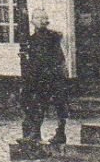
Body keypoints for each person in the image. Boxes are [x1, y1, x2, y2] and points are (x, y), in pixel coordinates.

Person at [22, 9, 71, 147]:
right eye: (38, 18)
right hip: (40, 77)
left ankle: (60, 132)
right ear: (32, 21)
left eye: (44, 18)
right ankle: (35, 132)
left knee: (60, 104)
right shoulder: (31, 40)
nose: (41, 20)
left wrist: (61, 70)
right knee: (39, 104)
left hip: (55, 75)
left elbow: (59, 56)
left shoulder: (53, 36)